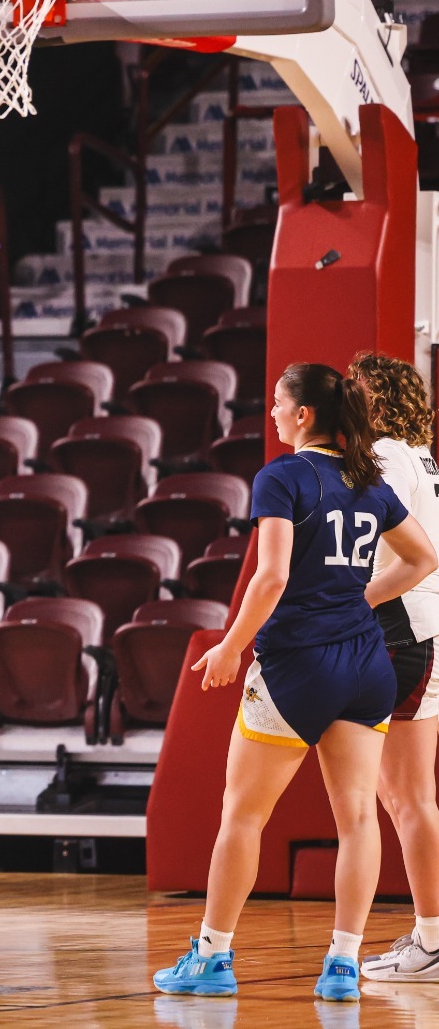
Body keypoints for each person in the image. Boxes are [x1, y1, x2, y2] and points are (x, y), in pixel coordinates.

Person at [153, 362, 438, 1003]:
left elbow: (272, 576)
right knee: (359, 818)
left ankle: (212, 956)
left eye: (278, 403)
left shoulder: (282, 476)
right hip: (367, 665)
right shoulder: (369, 478)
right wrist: (359, 602)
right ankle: (342, 965)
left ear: (304, 413)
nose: (274, 413)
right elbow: (425, 557)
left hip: (297, 663)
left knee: (243, 815)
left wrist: (230, 647)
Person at [348, 353, 439, 982]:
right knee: (407, 797)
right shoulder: (419, 455)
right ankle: (430, 935)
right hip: (421, 629)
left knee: (406, 798)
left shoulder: (382, 456)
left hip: (405, 631)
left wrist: (351, 601)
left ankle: (431, 940)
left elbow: (416, 556)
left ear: (373, 398)